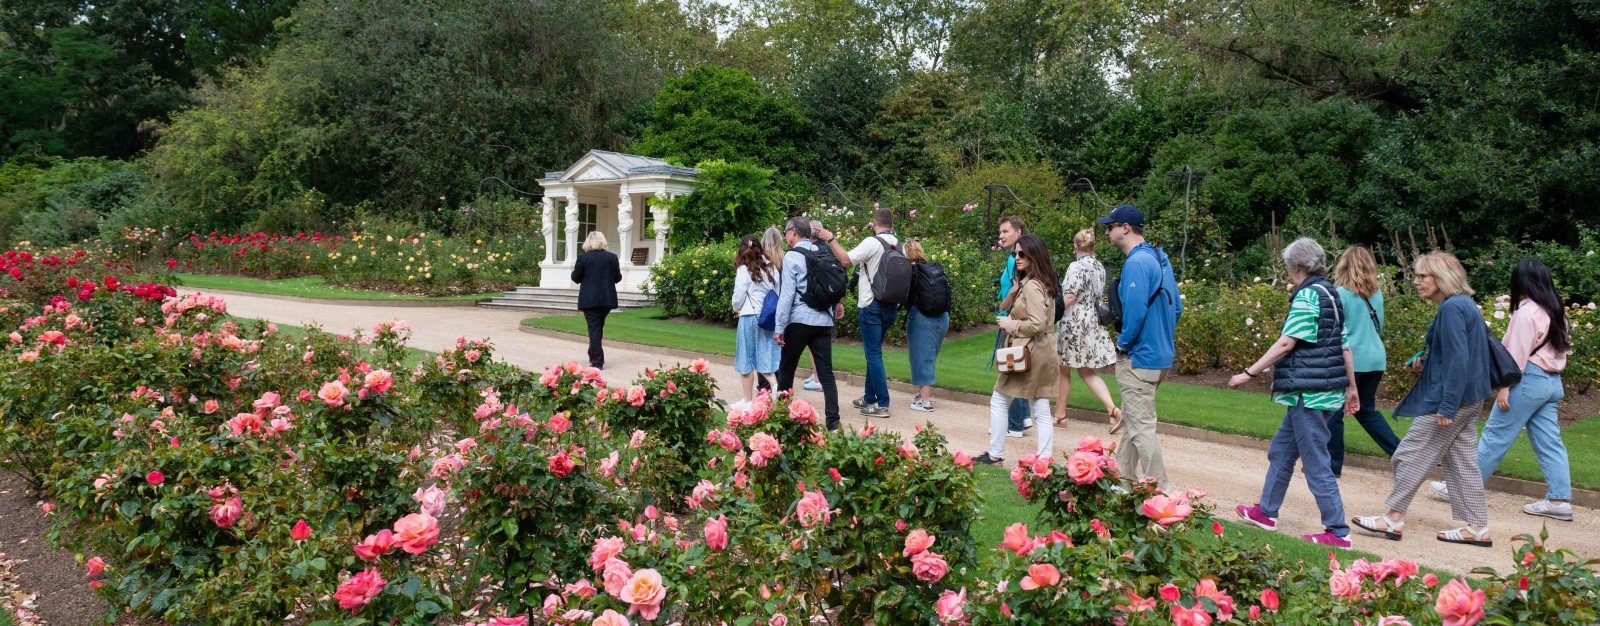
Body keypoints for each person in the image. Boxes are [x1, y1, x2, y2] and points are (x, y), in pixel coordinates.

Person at [1353, 251, 1496, 548]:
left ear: (1441, 278)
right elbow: (1461, 355)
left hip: (1452, 400)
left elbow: (1459, 361)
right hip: (1471, 398)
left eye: (1422, 276)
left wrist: (1447, 404)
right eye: (1416, 276)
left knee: (1408, 454)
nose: (1416, 282)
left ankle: (1392, 517)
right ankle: (1477, 528)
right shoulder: (1464, 305)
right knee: (1462, 464)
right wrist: (1426, 361)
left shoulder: (1453, 309)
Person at [1229, 237, 1359, 549]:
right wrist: (1351, 387)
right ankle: (1266, 513)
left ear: (1296, 267)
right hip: (1323, 391)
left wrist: (1249, 372)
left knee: (1316, 461)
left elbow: (1287, 342)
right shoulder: (1331, 294)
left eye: (1288, 266)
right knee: (1282, 451)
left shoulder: (1307, 297)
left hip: (1308, 394)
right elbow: (1344, 346)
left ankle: (1338, 531)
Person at [1429, 258, 1574, 521]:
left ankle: (1459, 489)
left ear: (1521, 282)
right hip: (1552, 383)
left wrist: (1505, 388)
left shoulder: (1526, 313)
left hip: (1526, 380)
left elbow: (1515, 356)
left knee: (1495, 436)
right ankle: (1559, 500)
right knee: (1550, 442)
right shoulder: (1557, 311)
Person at [1099, 204, 1180, 488]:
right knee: (1133, 420)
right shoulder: (1159, 257)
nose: (1107, 232)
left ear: (1126, 228)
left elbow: (1134, 314)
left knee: (1142, 426)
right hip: (1160, 355)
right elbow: (1177, 308)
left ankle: (1162, 491)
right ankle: (1122, 482)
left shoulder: (1135, 262)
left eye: (1110, 226)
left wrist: (1122, 343)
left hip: (1139, 358)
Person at [974, 234, 1058, 464]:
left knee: (1000, 399)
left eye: (1022, 254)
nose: (1017, 258)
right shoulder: (1043, 281)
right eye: (1015, 254)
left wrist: (1010, 324)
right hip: (1043, 350)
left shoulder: (1032, 285)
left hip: (1029, 351)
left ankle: (995, 454)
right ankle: (1043, 460)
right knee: (1039, 405)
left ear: (1035, 255)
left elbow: (1037, 323)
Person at [816, 208, 900, 418]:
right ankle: (869, 397)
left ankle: (882, 403)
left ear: (874, 223)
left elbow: (845, 260)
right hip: (890, 305)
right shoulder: (899, 245)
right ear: (891, 224)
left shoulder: (872, 243)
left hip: (871, 304)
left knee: (873, 355)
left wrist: (831, 238)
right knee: (875, 353)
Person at [1330, 246, 1400, 476]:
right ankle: (1401, 455)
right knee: (1367, 411)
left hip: (1351, 359)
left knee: (1334, 412)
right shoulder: (1376, 294)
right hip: (1375, 359)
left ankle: (1332, 466)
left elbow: (1336, 331)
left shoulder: (1340, 294)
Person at [774, 217, 842, 430]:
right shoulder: (821, 252)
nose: (785, 235)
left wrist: (779, 327)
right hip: (823, 320)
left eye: (786, 231)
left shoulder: (792, 257)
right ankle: (833, 421)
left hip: (800, 319)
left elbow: (786, 296)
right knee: (826, 373)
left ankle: (781, 417)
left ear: (794, 232)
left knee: (786, 369)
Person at [1053, 228, 1120, 427]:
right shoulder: (1099, 267)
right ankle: (1112, 409)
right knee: (1086, 370)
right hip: (1091, 319)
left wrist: (1053, 314)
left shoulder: (1076, 267)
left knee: (1064, 369)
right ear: (1092, 246)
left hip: (1074, 321)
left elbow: (1070, 296)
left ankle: (1061, 415)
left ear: (1075, 246)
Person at [995, 216, 1034, 438]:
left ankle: (1015, 424)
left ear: (1018, 232)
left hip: (1011, 318)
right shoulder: (1022, 256)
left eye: (1005, 231)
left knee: (1011, 368)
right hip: (1018, 318)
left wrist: (1005, 313)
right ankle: (1025, 417)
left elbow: (1016, 289)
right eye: (1000, 232)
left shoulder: (1014, 259)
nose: (1001, 235)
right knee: (1018, 366)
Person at [731, 234, 780, 403]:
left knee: (746, 360)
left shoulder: (743, 269)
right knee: (765, 358)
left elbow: (738, 296)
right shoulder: (771, 267)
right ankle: (775, 393)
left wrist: (735, 308)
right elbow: (777, 291)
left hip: (749, 316)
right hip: (767, 318)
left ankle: (747, 401)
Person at [903, 239, 950, 412]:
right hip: (943, 317)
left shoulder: (911, 271)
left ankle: (925, 401)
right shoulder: (933, 269)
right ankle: (921, 394)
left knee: (921, 358)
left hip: (922, 317)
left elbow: (905, 297)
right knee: (929, 356)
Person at [572, 231, 622, 369]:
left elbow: (575, 278)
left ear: (588, 242)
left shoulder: (583, 258)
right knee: (597, 328)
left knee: (594, 329)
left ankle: (597, 361)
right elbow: (618, 278)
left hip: (589, 300)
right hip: (606, 299)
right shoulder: (612, 257)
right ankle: (592, 353)